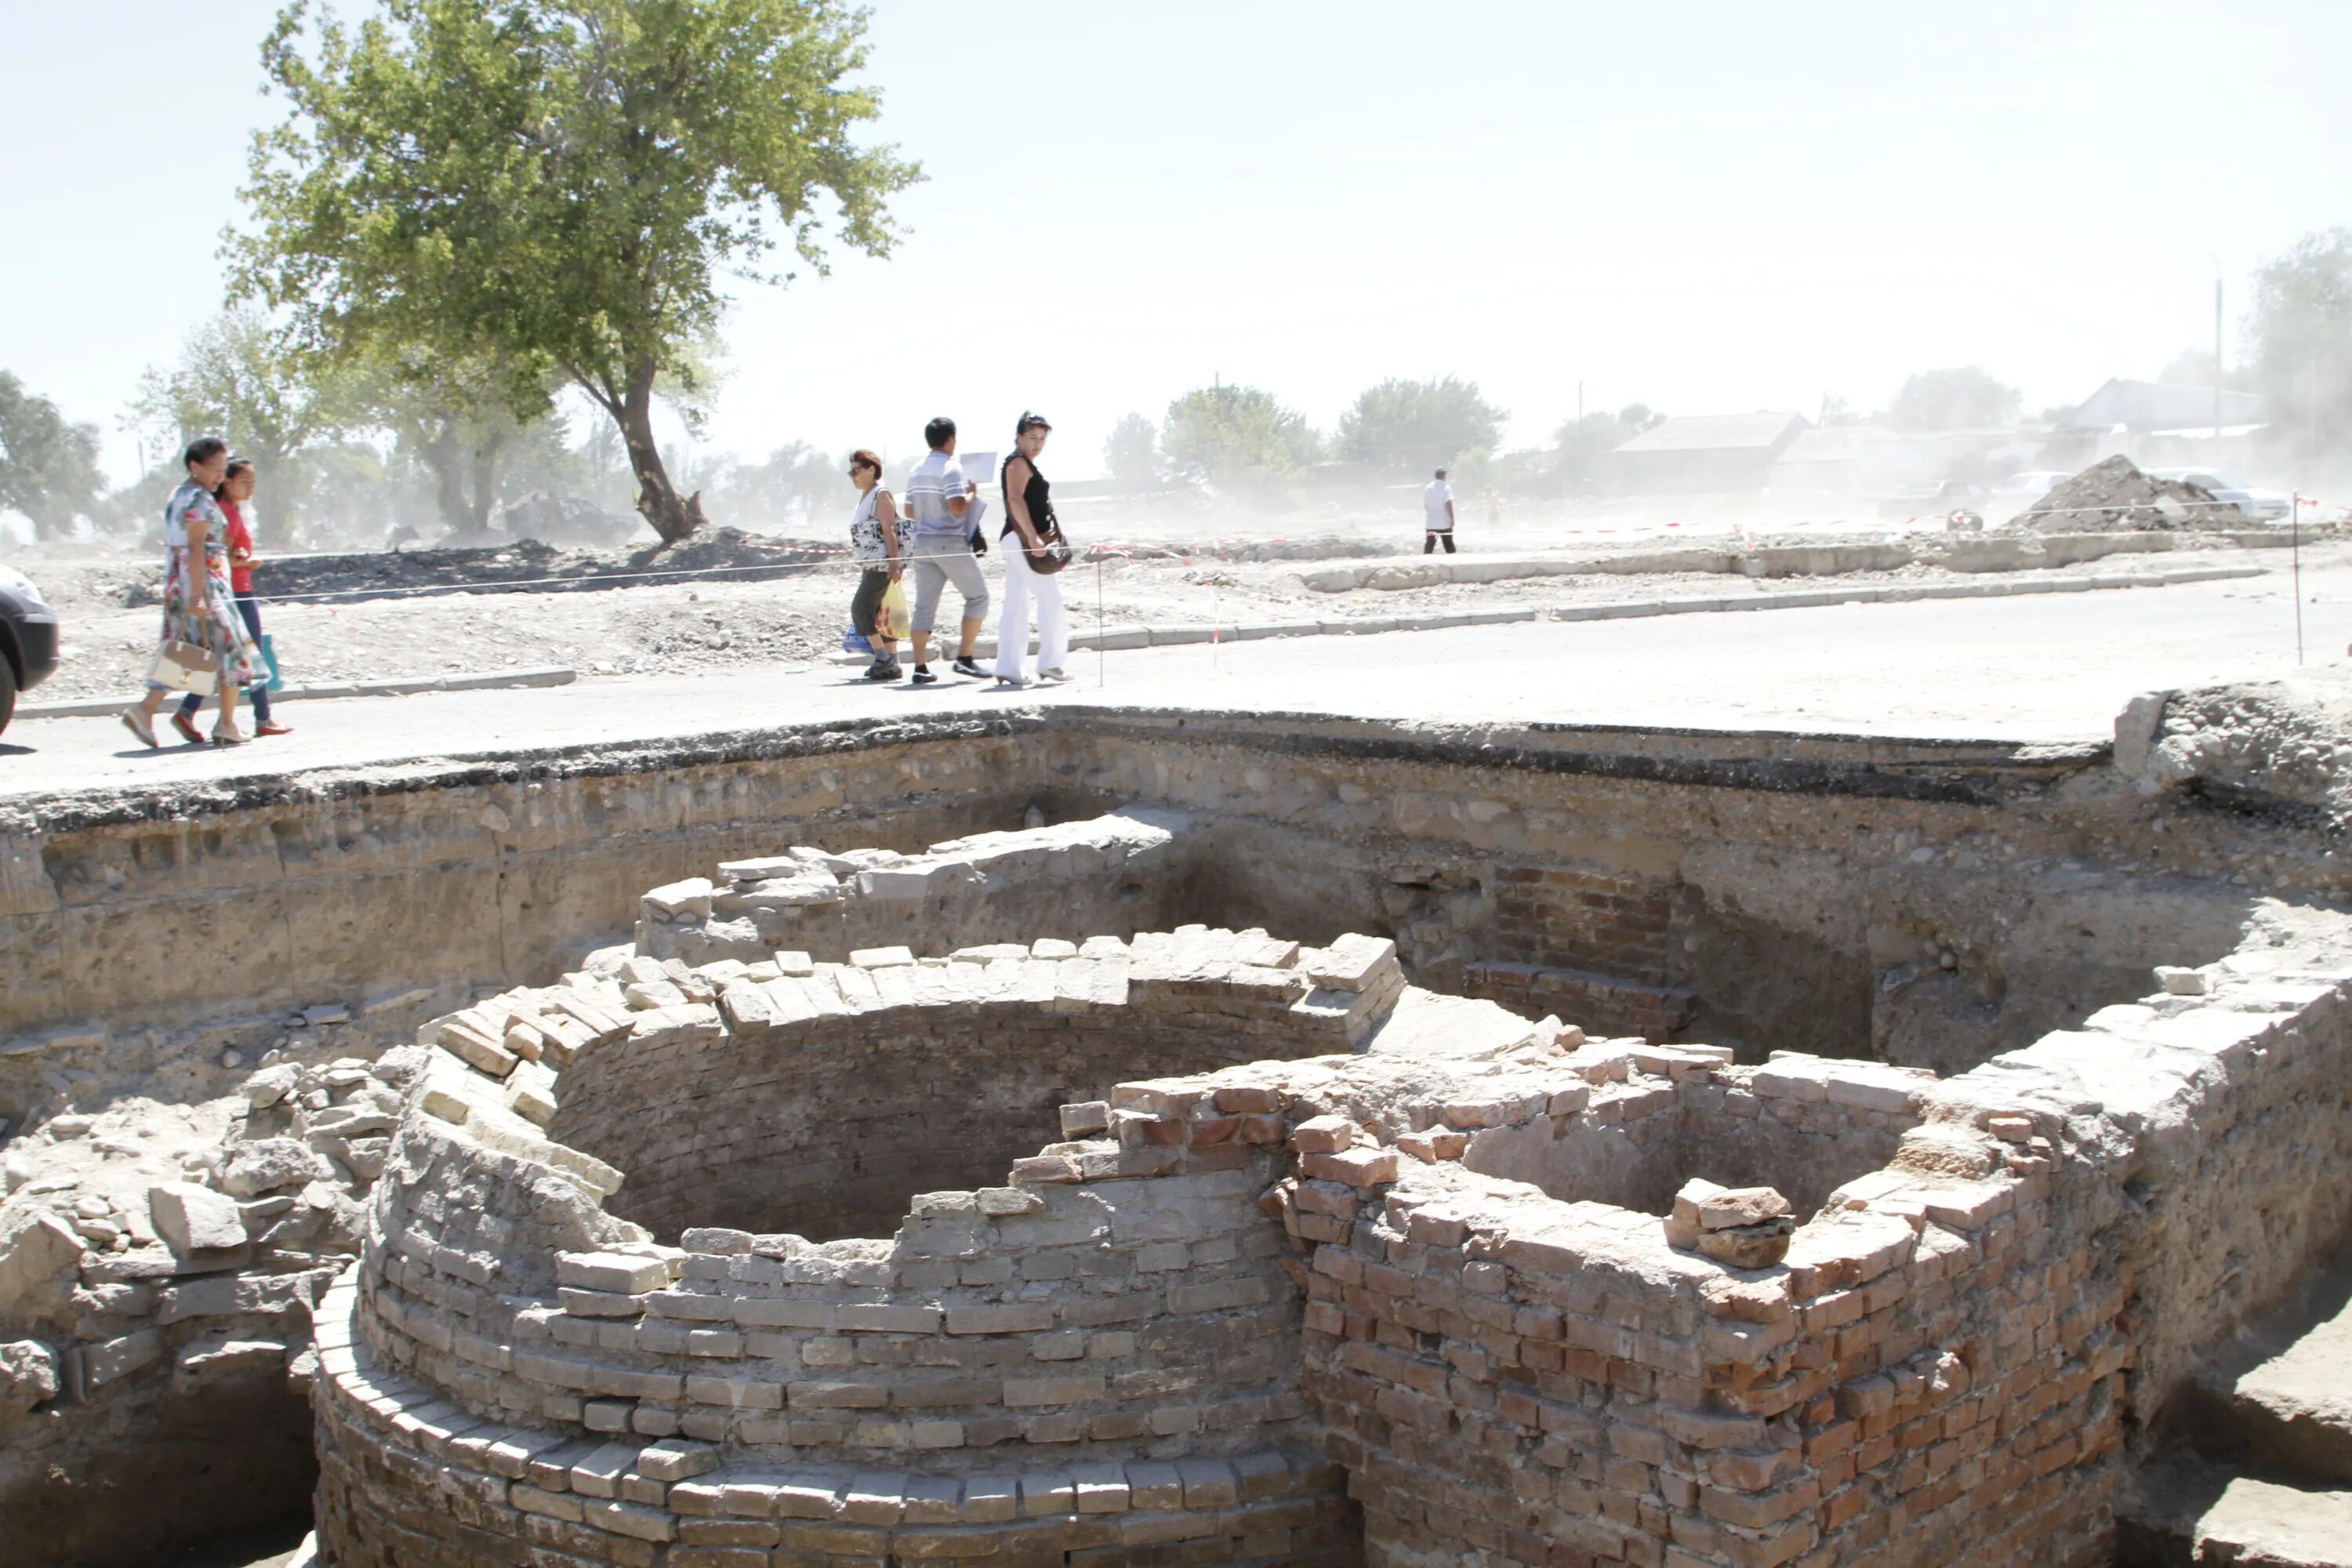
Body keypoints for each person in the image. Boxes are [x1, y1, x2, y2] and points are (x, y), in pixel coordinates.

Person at [120, 438, 270, 748]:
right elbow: (196, 546)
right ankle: (225, 723)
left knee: (189, 651)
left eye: (222, 469)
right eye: (214, 469)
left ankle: (147, 710)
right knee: (233, 650)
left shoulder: (180, 494)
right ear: (194, 466)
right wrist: (198, 595)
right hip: (203, 583)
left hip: (181, 581)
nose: (219, 476)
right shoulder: (200, 499)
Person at [172, 458, 289, 741]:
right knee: (250, 653)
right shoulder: (224, 512)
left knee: (223, 656)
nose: (250, 489)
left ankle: (188, 711)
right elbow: (218, 554)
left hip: (233, 588)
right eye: (244, 482)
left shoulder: (229, 510)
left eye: (254, 483)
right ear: (227, 481)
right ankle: (261, 717)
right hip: (235, 591)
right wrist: (245, 563)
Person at [902, 416, 989, 685]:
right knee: (978, 597)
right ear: (951, 439)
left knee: (924, 607)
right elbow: (956, 507)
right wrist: (972, 494)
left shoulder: (916, 470)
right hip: (949, 542)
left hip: (922, 543)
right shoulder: (952, 468)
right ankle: (965, 659)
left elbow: (907, 510)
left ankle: (919, 667)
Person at [993, 412, 1069, 688]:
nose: (1037, 443)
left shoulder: (1023, 463)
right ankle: (1051, 663)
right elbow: (1015, 499)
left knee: (1016, 603)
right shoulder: (1017, 464)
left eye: (1042, 438)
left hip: (1017, 540)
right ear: (1019, 437)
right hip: (1021, 540)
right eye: (1032, 437)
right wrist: (1033, 538)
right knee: (1051, 599)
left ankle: (1008, 667)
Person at [844, 448, 904, 681]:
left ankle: (882, 659)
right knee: (881, 613)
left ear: (871, 470)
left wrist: (894, 564)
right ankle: (892, 663)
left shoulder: (881, 495)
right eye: (850, 471)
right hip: (871, 564)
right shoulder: (867, 496)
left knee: (860, 608)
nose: (852, 476)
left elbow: (889, 532)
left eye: (856, 470)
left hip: (881, 565)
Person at [1423, 467, 1457, 554]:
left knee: (1429, 545)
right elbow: (1448, 503)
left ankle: (1425, 562)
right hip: (1444, 522)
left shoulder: (1428, 488)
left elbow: (1426, 506)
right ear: (1444, 476)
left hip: (1431, 523)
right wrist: (1452, 518)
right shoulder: (1446, 487)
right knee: (1449, 545)